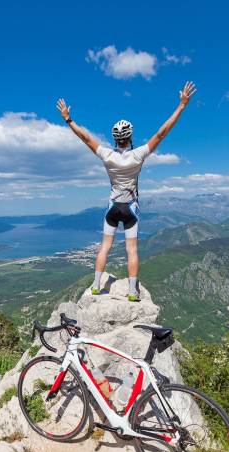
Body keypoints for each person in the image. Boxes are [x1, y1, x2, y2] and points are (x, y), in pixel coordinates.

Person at [57, 81, 197, 301]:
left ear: (115, 139)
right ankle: (132, 292)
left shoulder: (107, 155)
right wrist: (181, 106)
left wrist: (67, 118)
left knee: (105, 247)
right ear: (130, 138)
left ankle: (96, 286)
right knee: (131, 250)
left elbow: (84, 137)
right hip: (131, 208)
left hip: (113, 207)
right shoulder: (138, 155)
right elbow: (161, 134)